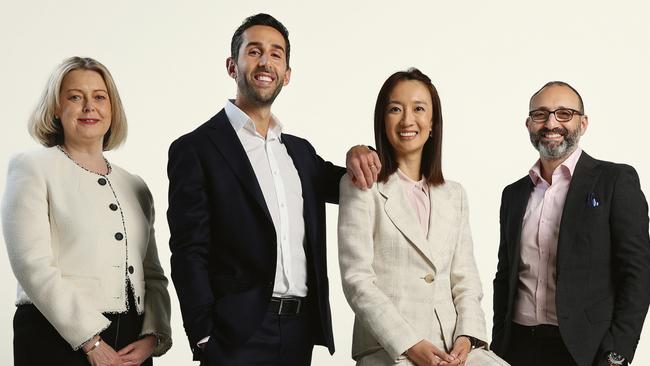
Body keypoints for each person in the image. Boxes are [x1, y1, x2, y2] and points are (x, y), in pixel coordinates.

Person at [166, 13, 379, 366]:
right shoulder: (196, 148)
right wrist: (204, 334)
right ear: (232, 66)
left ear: (287, 74)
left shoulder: (300, 152)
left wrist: (365, 151)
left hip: (298, 331)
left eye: (276, 54)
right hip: (234, 335)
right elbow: (188, 249)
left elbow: (354, 182)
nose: (265, 61)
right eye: (254, 51)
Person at [1, 57, 172, 366]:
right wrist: (90, 340)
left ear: (112, 108)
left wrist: (153, 336)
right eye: (75, 97)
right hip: (53, 336)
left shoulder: (135, 186)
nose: (89, 107)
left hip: (131, 343)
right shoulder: (32, 167)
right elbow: (30, 263)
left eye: (99, 97)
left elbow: (153, 274)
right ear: (56, 107)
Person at [338, 68, 508, 366]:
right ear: (382, 119)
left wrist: (467, 338)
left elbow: (466, 280)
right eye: (395, 109)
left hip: (454, 348)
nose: (407, 120)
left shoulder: (454, 194)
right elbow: (357, 281)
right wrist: (409, 344)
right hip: (390, 348)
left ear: (432, 123)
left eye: (419, 108)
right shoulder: (362, 186)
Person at [491, 81, 650, 366]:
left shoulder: (614, 182)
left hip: (585, 352)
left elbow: (638, 274)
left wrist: (618, 354)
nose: (551, 122)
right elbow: (505, 275)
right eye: (540, 114)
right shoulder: (513, 194)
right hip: (516, 348)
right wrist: (498, 342)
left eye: (564, 113)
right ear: (528, 124)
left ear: (583, 122)